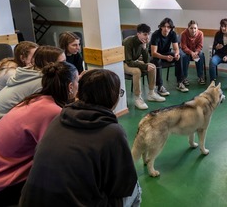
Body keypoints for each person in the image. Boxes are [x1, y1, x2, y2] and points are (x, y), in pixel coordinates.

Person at [19, 69, 141, 206]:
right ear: (112, 97)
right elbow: (123, 187)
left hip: (31, 201)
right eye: (119, 93)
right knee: (136, 187)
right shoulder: (112, 133)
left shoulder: (58, 118)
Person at [0, 62, 78, 206]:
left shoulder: (35, 99)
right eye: (77, 80)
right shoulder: (52, 112)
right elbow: (58, 156)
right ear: (70, 87)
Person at [0, 46, 66, 133]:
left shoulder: (28, 72)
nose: (66, 66)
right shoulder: (42, 82)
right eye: (62, 63)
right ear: (48, 63)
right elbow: (56, 110)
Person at [123, 23, 166, 110]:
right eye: (145, 34)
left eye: (148, 34)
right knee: (137, 71)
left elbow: (147, 61)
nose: (147, 37)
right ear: (138, 34)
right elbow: (129, 62)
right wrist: (145, 66)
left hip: (134, 61)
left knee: (152, 66)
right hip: (124, 63)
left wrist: (144, 48)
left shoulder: (143, 42)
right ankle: (137, 98)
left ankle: (151, 93)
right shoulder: (128, 42)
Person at [150, 17, 188, 95]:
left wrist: (177, 54)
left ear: (171, 28)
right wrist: (165, 58)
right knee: (157, 61)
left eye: (168, 27)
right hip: (155, 55)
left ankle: (180, 82)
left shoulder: (172, 34)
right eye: (164, 26)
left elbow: (176, 48)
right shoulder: (155, 35)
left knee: (179, 57)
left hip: (166, 53)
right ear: (161, 27)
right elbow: (153, 53)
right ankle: (160, 86)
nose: (166, 29)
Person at [209, 18, 227, 92]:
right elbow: (214, 45)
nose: (223, 28)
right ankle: (212, 82)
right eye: (222, 26)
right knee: (212, 61)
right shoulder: (218, 34)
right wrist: (216, 47)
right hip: (219, 54)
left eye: (225, 26)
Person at [180, 20, 206, 85]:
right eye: (191, 28)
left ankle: (200, 77)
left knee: (201, 55)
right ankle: (184, 77)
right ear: (188, 28)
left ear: (197, 28)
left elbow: (200, 45)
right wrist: (191, 53)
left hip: (195, 51)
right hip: (186, 52)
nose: (193, 30)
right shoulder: (183, 34)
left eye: (195, 28)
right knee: (184, 56)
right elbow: (184, 46)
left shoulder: (200, 34)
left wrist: (196, 52)